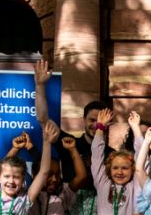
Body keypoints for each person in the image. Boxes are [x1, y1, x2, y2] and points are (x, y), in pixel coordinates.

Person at [32, 59, 108, 187]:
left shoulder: (112, 153)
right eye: (92, 120)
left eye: (100, 121)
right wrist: (40, 85)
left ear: (108, 122)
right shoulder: (68, 142)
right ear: (83, 119)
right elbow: (43, 120)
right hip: (68, 203)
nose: (96, 125)